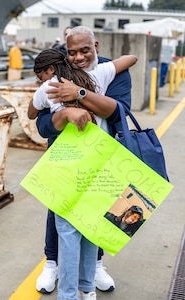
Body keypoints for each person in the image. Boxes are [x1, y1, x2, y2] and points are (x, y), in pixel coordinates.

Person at [31, 25, 133, 296]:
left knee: (96, 218)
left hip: (103, 160)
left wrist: (79, 95)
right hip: (65, 161)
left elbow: (119, 111)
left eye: (85, 50)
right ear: (65, 53)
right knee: (62, 218)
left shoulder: (107, 70)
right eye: (72, 52)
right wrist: (63, 114)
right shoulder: (56, 79)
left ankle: (93, 270)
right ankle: (52, 264)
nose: (78, 57)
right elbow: (40, 122)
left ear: (96, 46)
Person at [29, 49, 137, 118]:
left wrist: (39, 97)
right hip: (101, 143)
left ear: (51, 69)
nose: (42, 81)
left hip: (69, 148)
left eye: (41, 78)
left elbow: (31, 114)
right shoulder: (92, 73)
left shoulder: (48, 87)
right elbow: (132, 59)